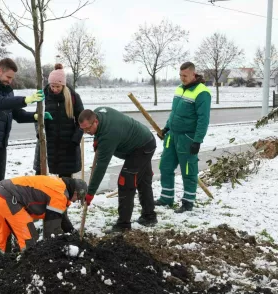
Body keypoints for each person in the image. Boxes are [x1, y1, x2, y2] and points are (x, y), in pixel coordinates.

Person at [0, 58, 51, 239]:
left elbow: (17, 115)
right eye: (8, 77)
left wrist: (37, 116)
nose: (10, 81)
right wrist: (27, 99)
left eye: (12, 78)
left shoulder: (8, 90)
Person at [79, 108, 157, 233]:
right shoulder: (98, 112)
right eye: (83, 129)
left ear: (96, 122)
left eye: (88, 129)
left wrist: (91, 192)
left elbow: (101, 166)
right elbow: (100, 133)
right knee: (143, 181)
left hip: (142, 147)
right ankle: (149, 216)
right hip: (142, 140)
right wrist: (96, 139)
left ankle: (123, 225)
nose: (86, 132)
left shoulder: (109, 135)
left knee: (125, 182)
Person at [155, 62, 211, 213]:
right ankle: (166, 198)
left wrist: (197, 140)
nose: (182, 78)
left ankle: (188, 202)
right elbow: (174, 113)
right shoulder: (179, 89)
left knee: (188, 170)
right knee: (165, 166)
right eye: (180, 75)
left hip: (188, 138)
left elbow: (203, 119)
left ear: (193, 74)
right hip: (172, 136)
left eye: (185, 76)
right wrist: (167, 127)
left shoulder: (202, 92)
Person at [0, 175, 87, 256]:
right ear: (75, 192)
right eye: (78, 198)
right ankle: (29, 271)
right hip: (9, 199)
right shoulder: (59, 194)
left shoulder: (59, 186)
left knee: (2, 236)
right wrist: (55, 252)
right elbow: (51, 230)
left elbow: (62, 218)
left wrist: (73, 234)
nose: (75, 201)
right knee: (29, 238)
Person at [33, 63, 84, 178]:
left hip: (68, 145)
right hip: (47, 144)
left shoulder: (73, 97)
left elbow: (82, 121)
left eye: (58, 86)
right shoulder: (43, 96)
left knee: (64, 183)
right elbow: (37, 117)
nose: (55, 89)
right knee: (40, 180)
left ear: (63, 85)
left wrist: (76, 139)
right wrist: (39, 133)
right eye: (52, 86)